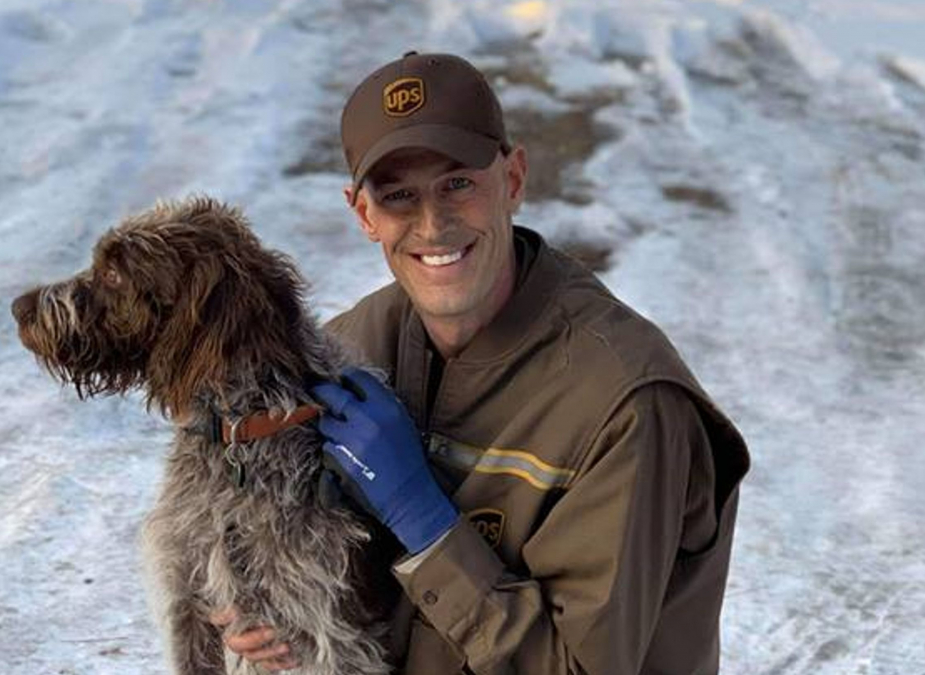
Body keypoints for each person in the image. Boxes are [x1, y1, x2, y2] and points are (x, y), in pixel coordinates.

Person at [213, 51, 750, 674]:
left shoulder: (626, 402)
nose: (433, 223)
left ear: (514, 178)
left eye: (458, 184)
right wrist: (257, 598)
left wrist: (426, 523)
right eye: (399, 196)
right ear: (364, 214)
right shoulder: (351, 351)